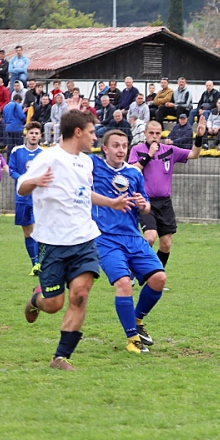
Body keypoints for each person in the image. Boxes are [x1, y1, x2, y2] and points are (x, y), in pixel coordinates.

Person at [18, 109, 133, 371]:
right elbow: (21, 187)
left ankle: (60, 357)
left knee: (80, 295)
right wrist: (35, 181)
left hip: (84, 238)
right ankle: (36, 300)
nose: (95, 137)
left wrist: (112, 202)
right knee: (54, 304)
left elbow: (84, 193)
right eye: (92, 132)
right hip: (52, 242)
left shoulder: (86, 162)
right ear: (78, 132)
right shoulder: (49, 158)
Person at [91, 130, 167, 354]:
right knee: (124, 284)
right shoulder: (93, 167)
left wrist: (144, 205)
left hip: (132, 236)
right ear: (105, 149)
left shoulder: (134, 174)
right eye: (115, 145)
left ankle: (137, 319)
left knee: (159, 278)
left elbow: (145, 206)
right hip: (106, 238)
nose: (121, 150)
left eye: (124, 145)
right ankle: (133, 339)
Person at [128, 117, 207, 266]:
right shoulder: (137, 150)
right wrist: (149, 155)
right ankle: (135, 268)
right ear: (145, 133)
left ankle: (156, 275)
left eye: (157, 133)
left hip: (164, 202)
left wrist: (200, 136)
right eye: (151, 132)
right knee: (150, 237)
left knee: (166, 244)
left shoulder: (169, 150)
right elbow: (133, 170)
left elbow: (194, 154)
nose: (155, 136)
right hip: (145, 201)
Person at [9, 121, 45, 273]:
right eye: (31, 133)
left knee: (38, 230)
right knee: (28, 232)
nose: (34, 135)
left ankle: (41, 263)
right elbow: (11, 170)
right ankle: (34, 263)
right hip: (22, 198)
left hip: (39, 198)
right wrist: (24, 179)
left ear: (40, 136)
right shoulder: (17, 151)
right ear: (26, 134)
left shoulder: (44, 154)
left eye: (36, 133)